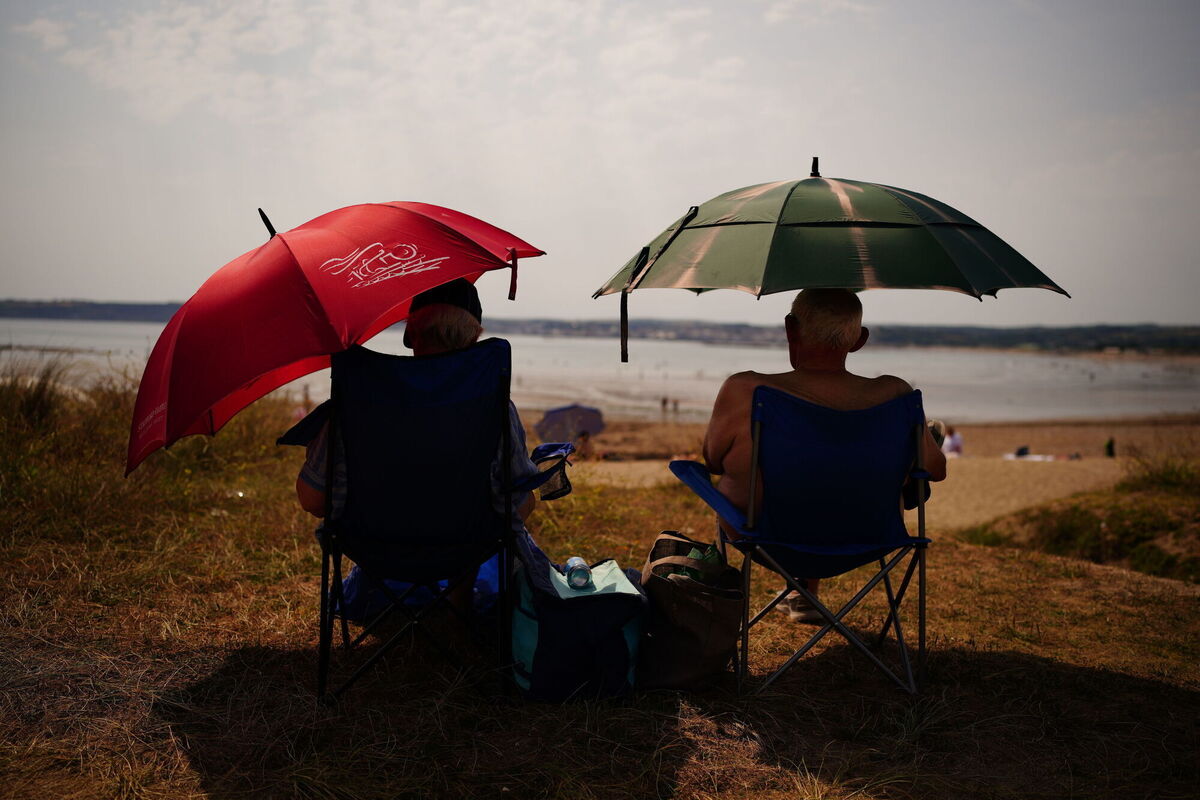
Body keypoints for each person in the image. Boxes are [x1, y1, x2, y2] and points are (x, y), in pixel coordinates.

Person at [295, 279, 539, 616]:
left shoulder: (357, 399)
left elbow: (312, 499)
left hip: (370, 544)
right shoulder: (494, 408)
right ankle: (459, 598)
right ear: (474, 338)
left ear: (411, 335)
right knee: (509, 506)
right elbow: (517, 504)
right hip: (464, 546)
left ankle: (384, 590)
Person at [702, 289, 947, 624]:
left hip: (765, 540)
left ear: (790, 329)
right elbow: (936, 469)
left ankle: (789, 592)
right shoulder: (895, 394)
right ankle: (803, 591)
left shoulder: (746, 390)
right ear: (859, 340)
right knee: (852, 469)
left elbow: (713, 460)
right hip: (868, 538)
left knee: (765, 474)